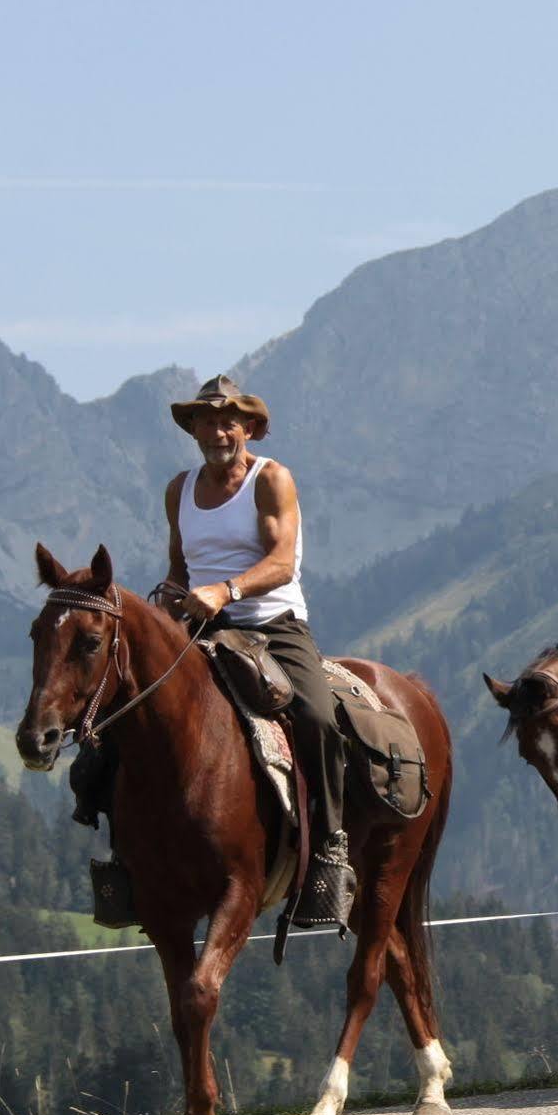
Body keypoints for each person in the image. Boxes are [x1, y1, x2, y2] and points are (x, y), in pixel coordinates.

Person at [161, 374, 354, 929]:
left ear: (248, 428)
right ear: (192, 428)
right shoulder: (179, 489)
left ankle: (330, 850)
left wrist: (225, 590)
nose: (218, 430)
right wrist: (172, 601)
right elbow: (180, 566)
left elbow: (282, 561)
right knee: (132, 707)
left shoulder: (271, 480)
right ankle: (127, 856)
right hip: (201, 627)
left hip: (272, 625)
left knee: (317, 716)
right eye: (207, 420)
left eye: (229, 421)